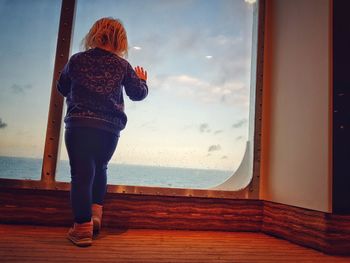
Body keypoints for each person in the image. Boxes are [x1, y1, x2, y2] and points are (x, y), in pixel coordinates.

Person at [57, 17, 148, 247]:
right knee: (100, 168)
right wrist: (144, 82)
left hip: (79, 125)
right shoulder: (122, 66)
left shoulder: (76, 61)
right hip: (109, 130)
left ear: (94, 35)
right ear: (121, 42)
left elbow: (62, 87)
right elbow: (137, 94)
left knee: (81, 175)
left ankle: (82, 228)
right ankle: (96, 215)